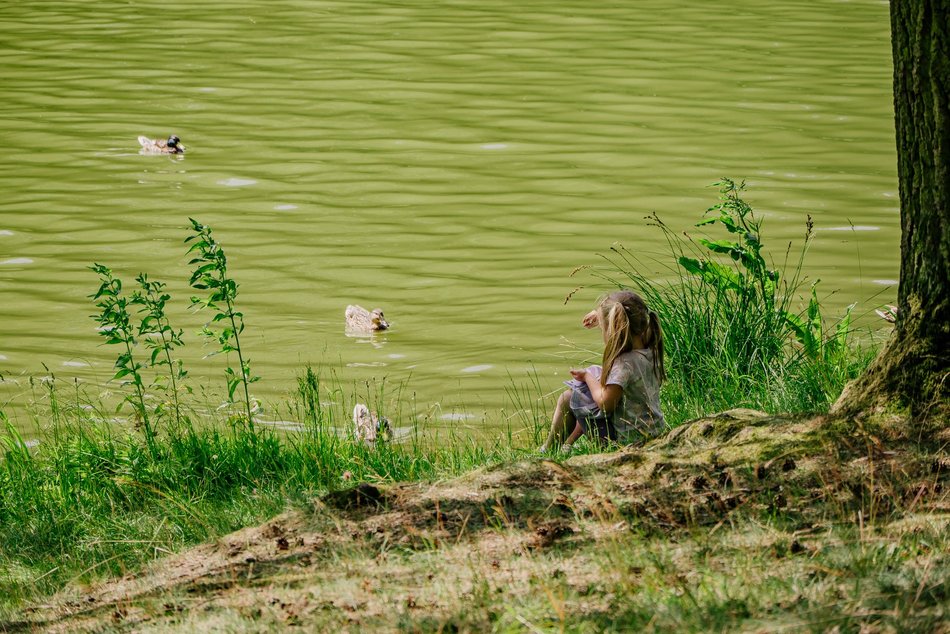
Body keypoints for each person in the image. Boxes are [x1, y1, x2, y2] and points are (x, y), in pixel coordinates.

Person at [539, 290, 666, 454]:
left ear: (614, 329)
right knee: (591, 385)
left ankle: (548, 450)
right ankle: (568, 444)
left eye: (603, 328)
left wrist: (587, 377)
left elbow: (605, 404)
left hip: (626, 442)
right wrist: (600, 315)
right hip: (654, 433)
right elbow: (626, 307)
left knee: (568, 398)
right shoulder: (651, 351)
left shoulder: (623, 365)